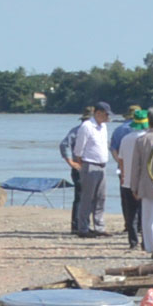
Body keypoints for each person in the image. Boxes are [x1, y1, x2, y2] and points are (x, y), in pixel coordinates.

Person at [59, 101, 114, 235]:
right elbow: (78, 148)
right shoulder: (86, 127)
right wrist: (75, 163)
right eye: (106, 114)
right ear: (98, 113)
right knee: (86, 198)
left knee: (101, 197)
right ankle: (82, 228)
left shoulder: (103, 127)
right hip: (89, 164)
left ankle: (99, 227)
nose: (108, 118)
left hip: (102, 165)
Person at [116, 108, 152, 247]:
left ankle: (133, 241)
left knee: (131, 213)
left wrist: (124, 175)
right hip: (145, 181)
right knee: (146, 213)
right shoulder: (148, 139)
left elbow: (121, 159)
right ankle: (146, 240)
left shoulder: (126, 138)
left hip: (128, 180)